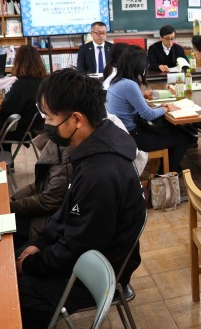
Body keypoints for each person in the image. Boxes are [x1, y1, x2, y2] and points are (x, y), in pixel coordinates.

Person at [16, 69, 146, 329]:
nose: (47, 125)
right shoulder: (92, 148)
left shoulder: (101, 173)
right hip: (80, 255)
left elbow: (78, 248)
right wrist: (40, 243)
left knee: (10, 294)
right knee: (16, 251)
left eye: (50, 118)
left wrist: (32, 264)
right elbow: (66, 213)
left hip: (89, 275)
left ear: (76, 119)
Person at [106, 46, 194, 172]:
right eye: (145, 61)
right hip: (134, 136)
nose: (147, 65)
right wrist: (167, 108)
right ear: (138, 64)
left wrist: (145, 99)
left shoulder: (117, 80)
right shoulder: (130, 84)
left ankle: (168, 166)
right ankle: (166, 173)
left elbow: (129, 104)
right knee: (185, 138)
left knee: (173, 130)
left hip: (123, 134)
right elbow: (148, 115)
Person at [10, 132, 72, 248]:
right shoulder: (57, 143)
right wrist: (14, 199)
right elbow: (40, 185)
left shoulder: (66, 153)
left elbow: (51, 199)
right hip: (49, 213)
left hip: (51, 221)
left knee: (7, 227)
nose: (46, 123)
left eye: (50, 120)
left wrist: (11, 206)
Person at [0, 45, 46, 150]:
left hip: (23, 129)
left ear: (18, 62)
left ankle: (2, 158)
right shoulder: (45, 83)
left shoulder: (20, 85)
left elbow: (6, 110)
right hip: (38, 127)